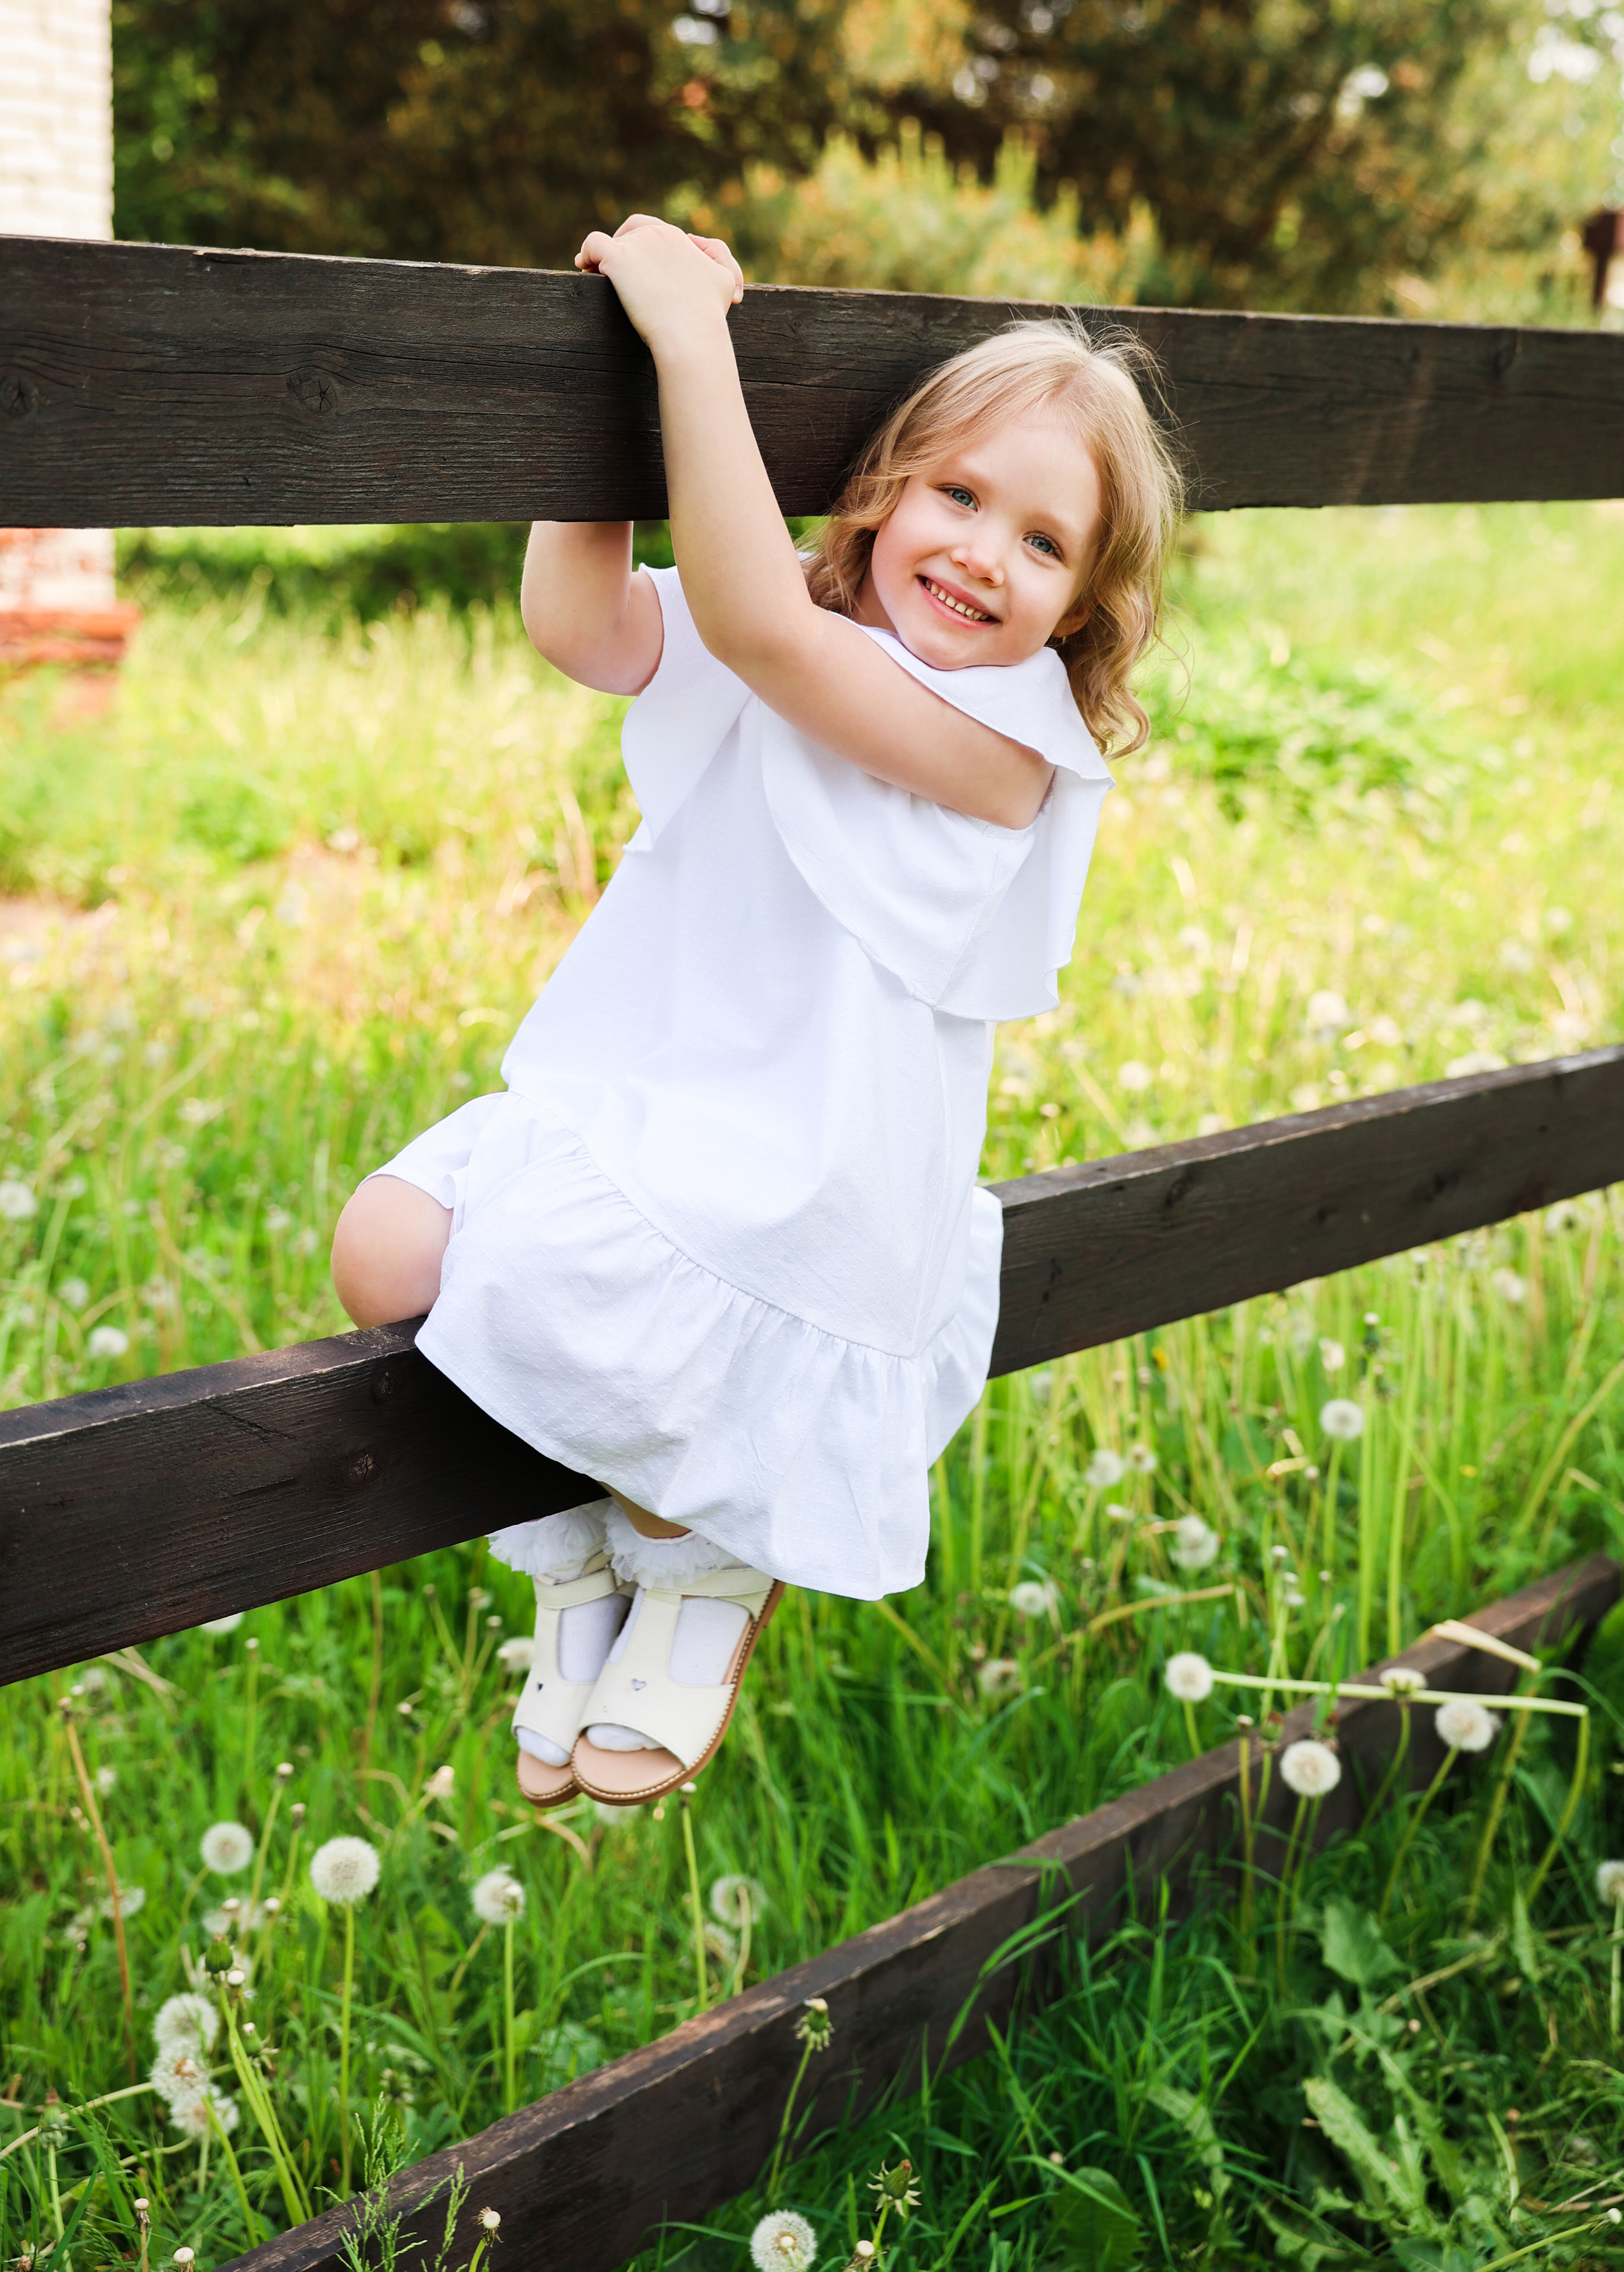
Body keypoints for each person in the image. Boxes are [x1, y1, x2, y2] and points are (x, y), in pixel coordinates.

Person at [331, 214, 1183, 1811]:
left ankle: (698, 1557)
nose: (982, 553)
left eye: (1043, 543)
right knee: (385, 1251)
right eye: (957, 493)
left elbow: (749, 625)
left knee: (631, 1339)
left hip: (804, 1178)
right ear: (883, 488)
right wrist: (600, 397)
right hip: (642, 1102)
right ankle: (599, 1541)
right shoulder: (803, 631)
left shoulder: (1004, 744)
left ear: (1079, 609)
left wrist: (688, 335)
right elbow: (586, 627)